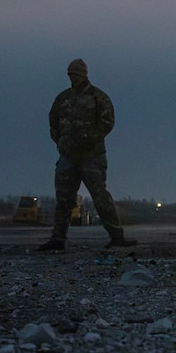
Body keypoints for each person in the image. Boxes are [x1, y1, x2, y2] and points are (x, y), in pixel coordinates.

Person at [38, 58, 127, 251]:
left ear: (84, 75)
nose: (73, 79)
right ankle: (58, 239)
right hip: (68, 157)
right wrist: (60, 141)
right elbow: (53, 121)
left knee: (100, 197)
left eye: (76, 75)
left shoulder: (98, 97)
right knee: (64, 199)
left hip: (92, 156)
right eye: (70, 75)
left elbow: (107, 122)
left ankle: (117, 236)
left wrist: (90, 141)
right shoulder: (63, 98)